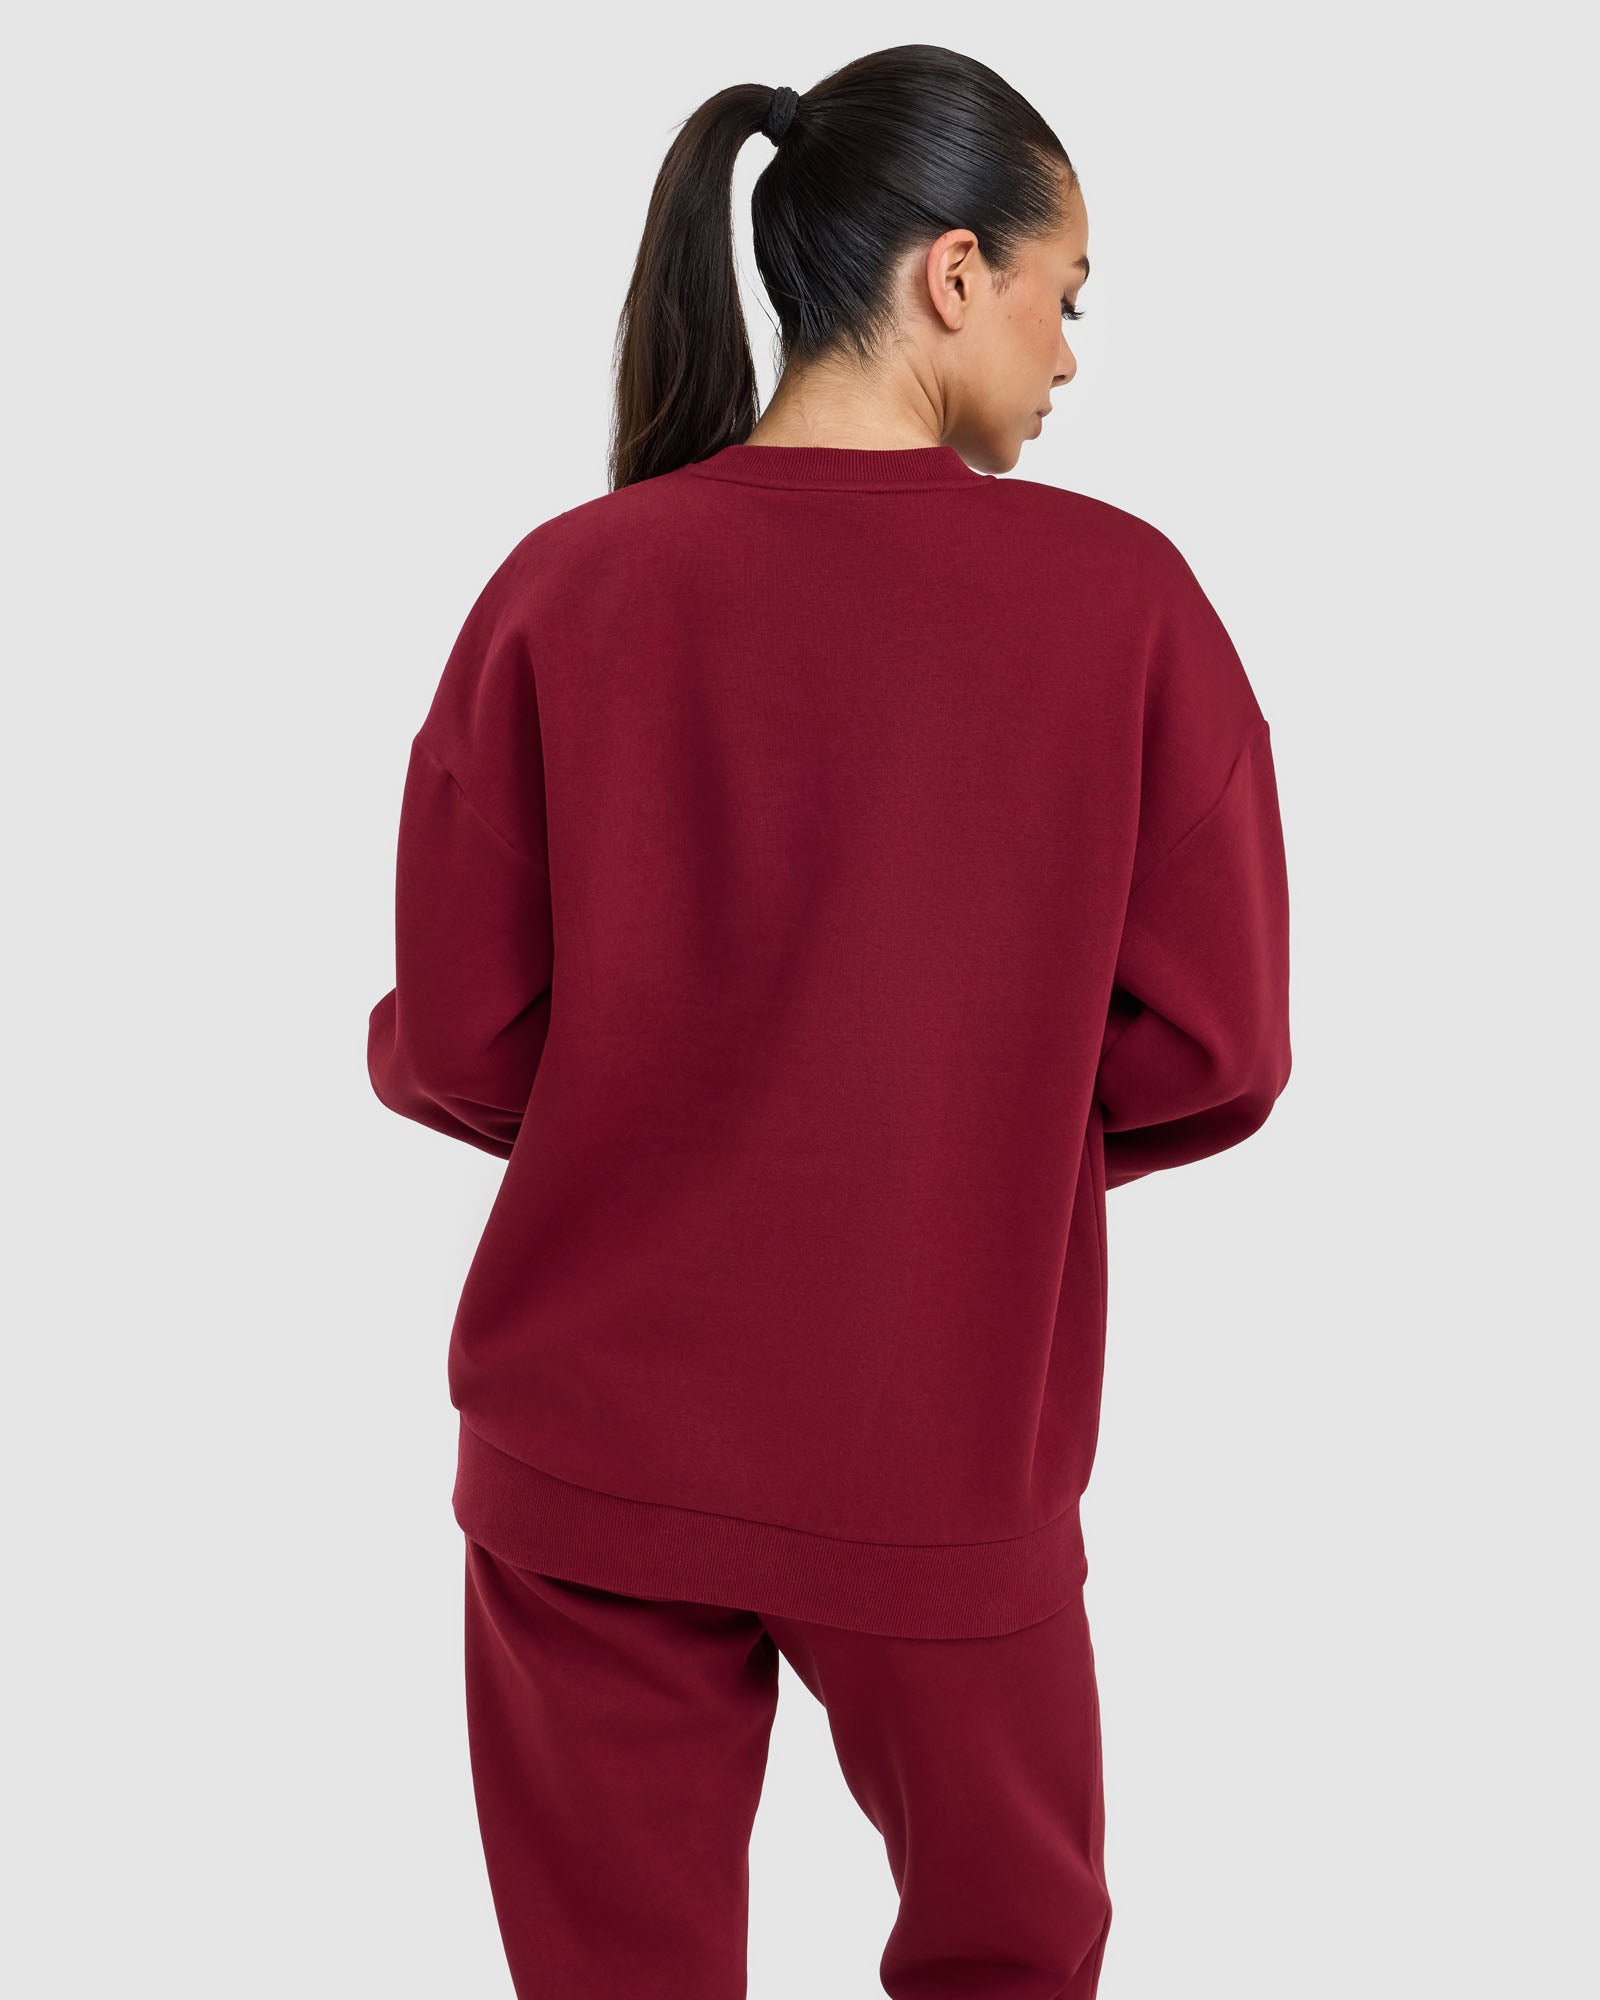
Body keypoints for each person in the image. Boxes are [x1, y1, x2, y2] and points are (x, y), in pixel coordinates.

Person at [366, 42, 1292, 2000]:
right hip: (935, 1441)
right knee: (1014, 1956)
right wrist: (970, 1112)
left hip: (587, 1445)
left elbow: (457, 1039)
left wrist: (679, 1086)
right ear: (954, 273)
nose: (1067, 357)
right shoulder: (1122, 603)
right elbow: (1218, 1047)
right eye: (1065, 296)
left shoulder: (566, 586)